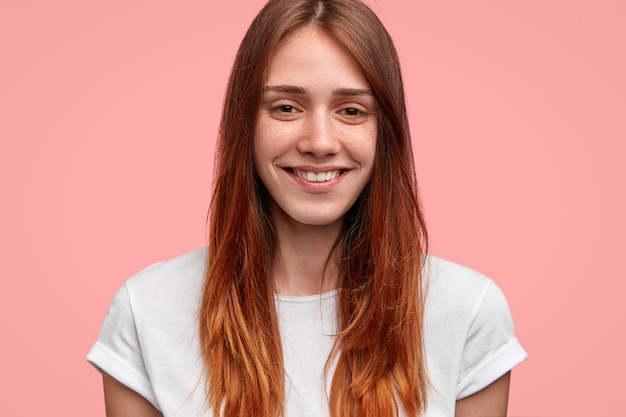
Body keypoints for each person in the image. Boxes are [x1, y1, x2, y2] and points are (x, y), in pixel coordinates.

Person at [87, 0, 527, 416]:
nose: (319, 142)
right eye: (286, 107)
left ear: (385, 131)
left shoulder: (467, 310)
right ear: (246, 124)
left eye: (352, 110)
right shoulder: (147, 311)